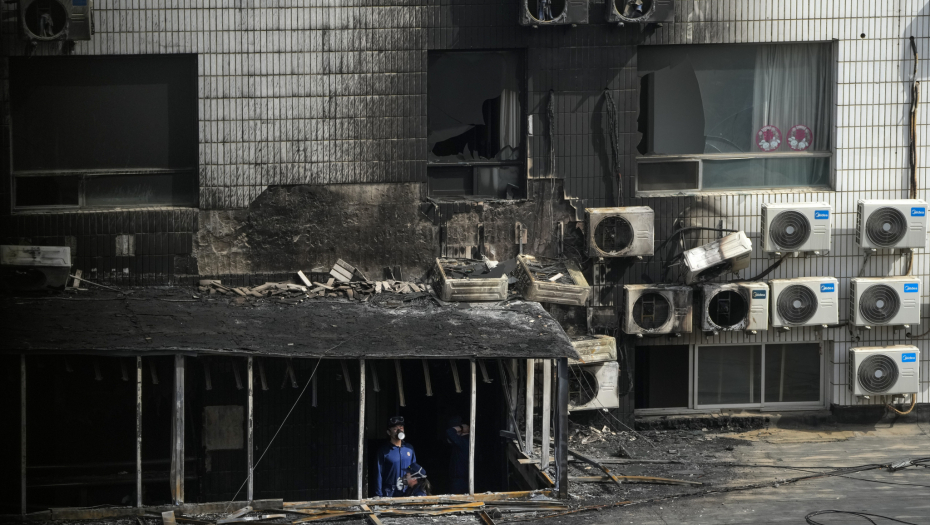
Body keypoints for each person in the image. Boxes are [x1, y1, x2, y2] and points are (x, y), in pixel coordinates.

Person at [374, 416, 417, 497]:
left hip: (406, 491)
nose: (399, 430)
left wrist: (415, 490)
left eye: (401, 427)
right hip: (389, 492)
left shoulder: (409, 448)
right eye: (395, 429)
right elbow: (378, 474)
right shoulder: (384, 451)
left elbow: (414, 471)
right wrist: (379, 495)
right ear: (389, 432)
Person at [445, 415, 470, 494]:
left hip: (461, 480)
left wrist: (461, 428)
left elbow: (450, 432)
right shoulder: (463, 441)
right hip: (461, 479)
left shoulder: (465, 441)